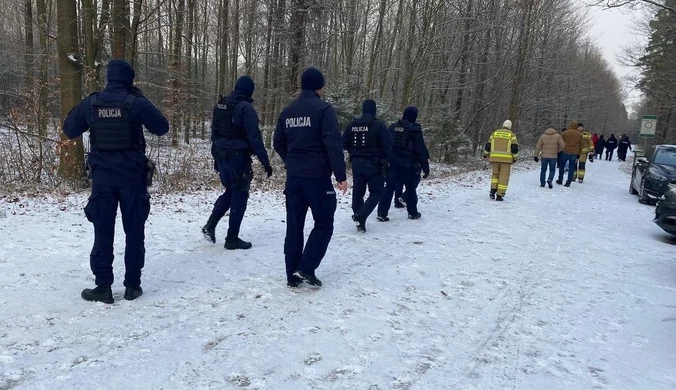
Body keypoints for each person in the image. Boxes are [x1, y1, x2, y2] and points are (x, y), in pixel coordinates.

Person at [63, 59, 169, 304]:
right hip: (133, 180)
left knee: (103, 232)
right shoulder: (135, 103)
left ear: (108, 78)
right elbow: (162, 127)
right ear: (129, 80)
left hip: (103, 182)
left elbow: (69, 129)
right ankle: (133, 285)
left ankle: (103, 287)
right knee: (134, 232)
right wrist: (141, 101)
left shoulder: (92, 103)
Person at [273, 67, 347, 288]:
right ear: (320, 87)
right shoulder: (323, 109)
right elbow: (333, 144)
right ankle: (306, 268)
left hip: (294, 179)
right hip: (317, 178)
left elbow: (278, 142)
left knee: (294, 226)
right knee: (324, 223)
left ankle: (291, 274)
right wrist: (341, 176)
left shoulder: (287, 112)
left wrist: (292, 161)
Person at [201, 76, 273, 250]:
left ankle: (210, 225)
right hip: (237, 158)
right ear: (249, 91)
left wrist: (215, 159)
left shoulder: (220, 105)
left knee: (230, 191)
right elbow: (254, 137)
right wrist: (265, 162)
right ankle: (232, 238)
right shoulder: (245, 108)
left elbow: (214, 134)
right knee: (240, 194)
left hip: (221, 155)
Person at [343, 99, 392, 233]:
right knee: (377, 192)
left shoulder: (352, 125)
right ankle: (361, 215)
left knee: (358, 193)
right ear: (374, 110)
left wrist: (354, 151)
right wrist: (384, 159)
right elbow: (388, 145)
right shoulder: (379, 125)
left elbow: (344, 142)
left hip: (357, 163)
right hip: (374, 164)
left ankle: (360, 219)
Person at [377, 106, 430, 220]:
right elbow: (420, 149)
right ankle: (412, 213)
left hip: (392, 163)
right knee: (410, 189)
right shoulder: (414, 129)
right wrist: (425, 167)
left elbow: (385, 145)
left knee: (389, 188)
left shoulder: (392, 127)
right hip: (409, 165)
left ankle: (382, 213)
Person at [483, 120, 519, 201]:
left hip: (494, 158)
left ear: (503, 125)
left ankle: (492, 191)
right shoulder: (511, 135)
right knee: (503, 177)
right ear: (510, 127)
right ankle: (500, 195)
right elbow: (514, 148)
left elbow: (488, 145)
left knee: (495, 175)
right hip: (506, 160)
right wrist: (515, 158)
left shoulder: (494, 133)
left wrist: (485, 154)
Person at [557, 120, 583, 187]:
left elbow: (560, 142)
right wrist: (579, 154)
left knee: (562, 166)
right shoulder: (580, 134)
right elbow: (581, 145)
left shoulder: (565, 133)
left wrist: (559, 150)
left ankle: (560, 180)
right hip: (574, 153)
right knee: (571, 168)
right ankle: (568, 181)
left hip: (565, 151)